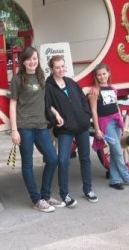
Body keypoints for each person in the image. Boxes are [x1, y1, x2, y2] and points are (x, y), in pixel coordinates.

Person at [8, 46, 64, 212]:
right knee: (27, 164)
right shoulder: (17, 79)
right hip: (25, 127)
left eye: (35, 58)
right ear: (23, 61)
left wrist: (55, 113)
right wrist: (14, 130)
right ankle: (36, 199)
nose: (32, 62)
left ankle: (45, 195)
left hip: (41, 126)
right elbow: (12, 104)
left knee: (53, 159)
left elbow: (45, 101)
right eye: (29, 59)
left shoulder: (41, 76)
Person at [45, 55, 98, 207]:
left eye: (63, 66)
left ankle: (88, 189)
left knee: (85, 158)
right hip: (65, 129)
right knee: (63, 160)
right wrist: (56, 117)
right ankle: (65, 194)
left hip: (81, 126)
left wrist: (86, 115)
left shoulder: (70, 82)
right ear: (52, 69)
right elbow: (47, 105)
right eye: (57, 67)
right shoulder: (49, 86)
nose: (61, 69)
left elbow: (83, 99)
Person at [88, 63, 129, 190]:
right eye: (99, 75)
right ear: (96, 76)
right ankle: (127, 176)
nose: (102, 77)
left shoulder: (112, 88)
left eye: (104, 74)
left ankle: (115, 180)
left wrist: (121, 121)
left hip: (116, 121)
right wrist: (97, 129)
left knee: (115, 150)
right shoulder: (95, 91)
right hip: (105, 124)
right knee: (117, 150)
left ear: (108, 73)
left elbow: (116, 105)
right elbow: (94, 111)